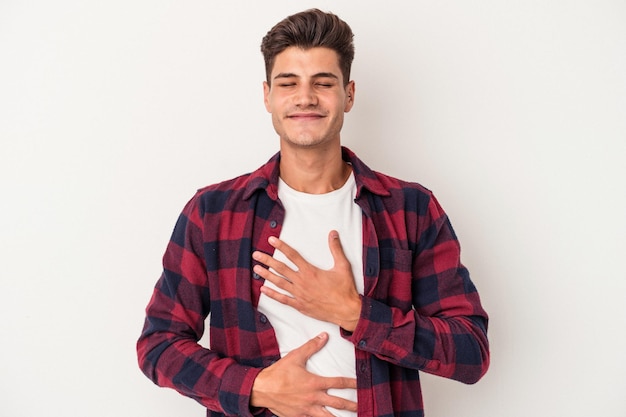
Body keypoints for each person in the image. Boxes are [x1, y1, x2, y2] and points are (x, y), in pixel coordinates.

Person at [137, 8, 489, 417]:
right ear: (267, 95)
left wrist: (354, 312)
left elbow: (470, 352)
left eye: (323, 83)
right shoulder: (213, 213)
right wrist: (256, 387)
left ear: (349, 94)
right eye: (289, 84)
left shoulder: (410, 209)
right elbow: (158, 344)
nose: (305, 97)